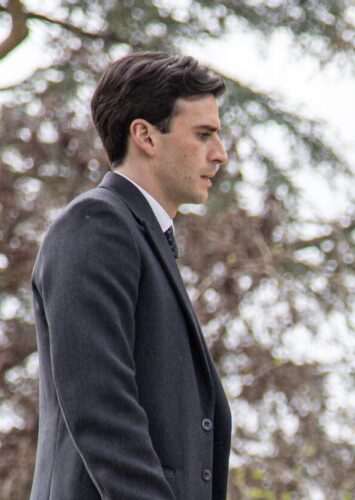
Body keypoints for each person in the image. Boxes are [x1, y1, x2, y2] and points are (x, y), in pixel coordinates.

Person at [30, 52, 232, 499]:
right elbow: (101, 408)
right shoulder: (96, 225)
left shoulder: (143, 237)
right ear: (145, 135)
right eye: (203, 135)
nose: (219, 154)